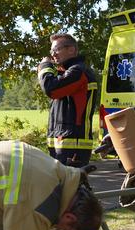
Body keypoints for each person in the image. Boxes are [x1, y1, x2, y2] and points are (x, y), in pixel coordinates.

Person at [38, 33, 98, 168]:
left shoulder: (78, 72)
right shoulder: (67, 73)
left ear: (71, 50)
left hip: (72, 147)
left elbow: (51, 89)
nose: (53, 54)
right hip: (63, 144)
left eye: (56, 50)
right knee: (65, 188)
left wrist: (44, 67)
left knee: (71, 188)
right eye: (51, 51)